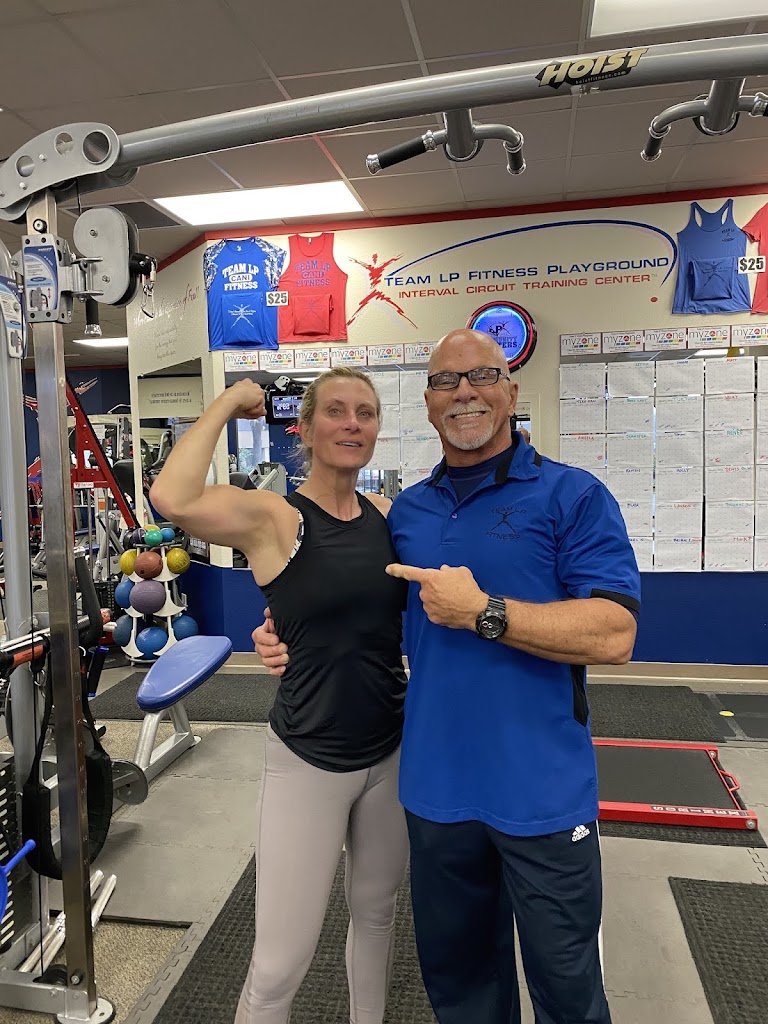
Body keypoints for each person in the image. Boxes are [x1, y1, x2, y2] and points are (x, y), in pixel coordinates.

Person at [255, 329, 640, 1024]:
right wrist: (282, 632)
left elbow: (615, 635)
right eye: (445, 382)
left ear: (510, 393)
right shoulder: (407, 512)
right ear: (428, 404)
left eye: (482, 376)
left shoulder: (573, 495)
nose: (464, 393)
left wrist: (486, 613)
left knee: (567, 991)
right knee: (461, 989)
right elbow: (349, 599)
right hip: (435, 793)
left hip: (541, 793)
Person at [149, 368, 411, 1024]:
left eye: (366, 413)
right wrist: (229, 402)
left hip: (390, 750)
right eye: (337, 411)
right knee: (278, 966)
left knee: (377, 919)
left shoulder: (385, 516)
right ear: (306, 428)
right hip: (308, 757)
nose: (352, 423)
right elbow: (171, 497)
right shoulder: (276, 517)